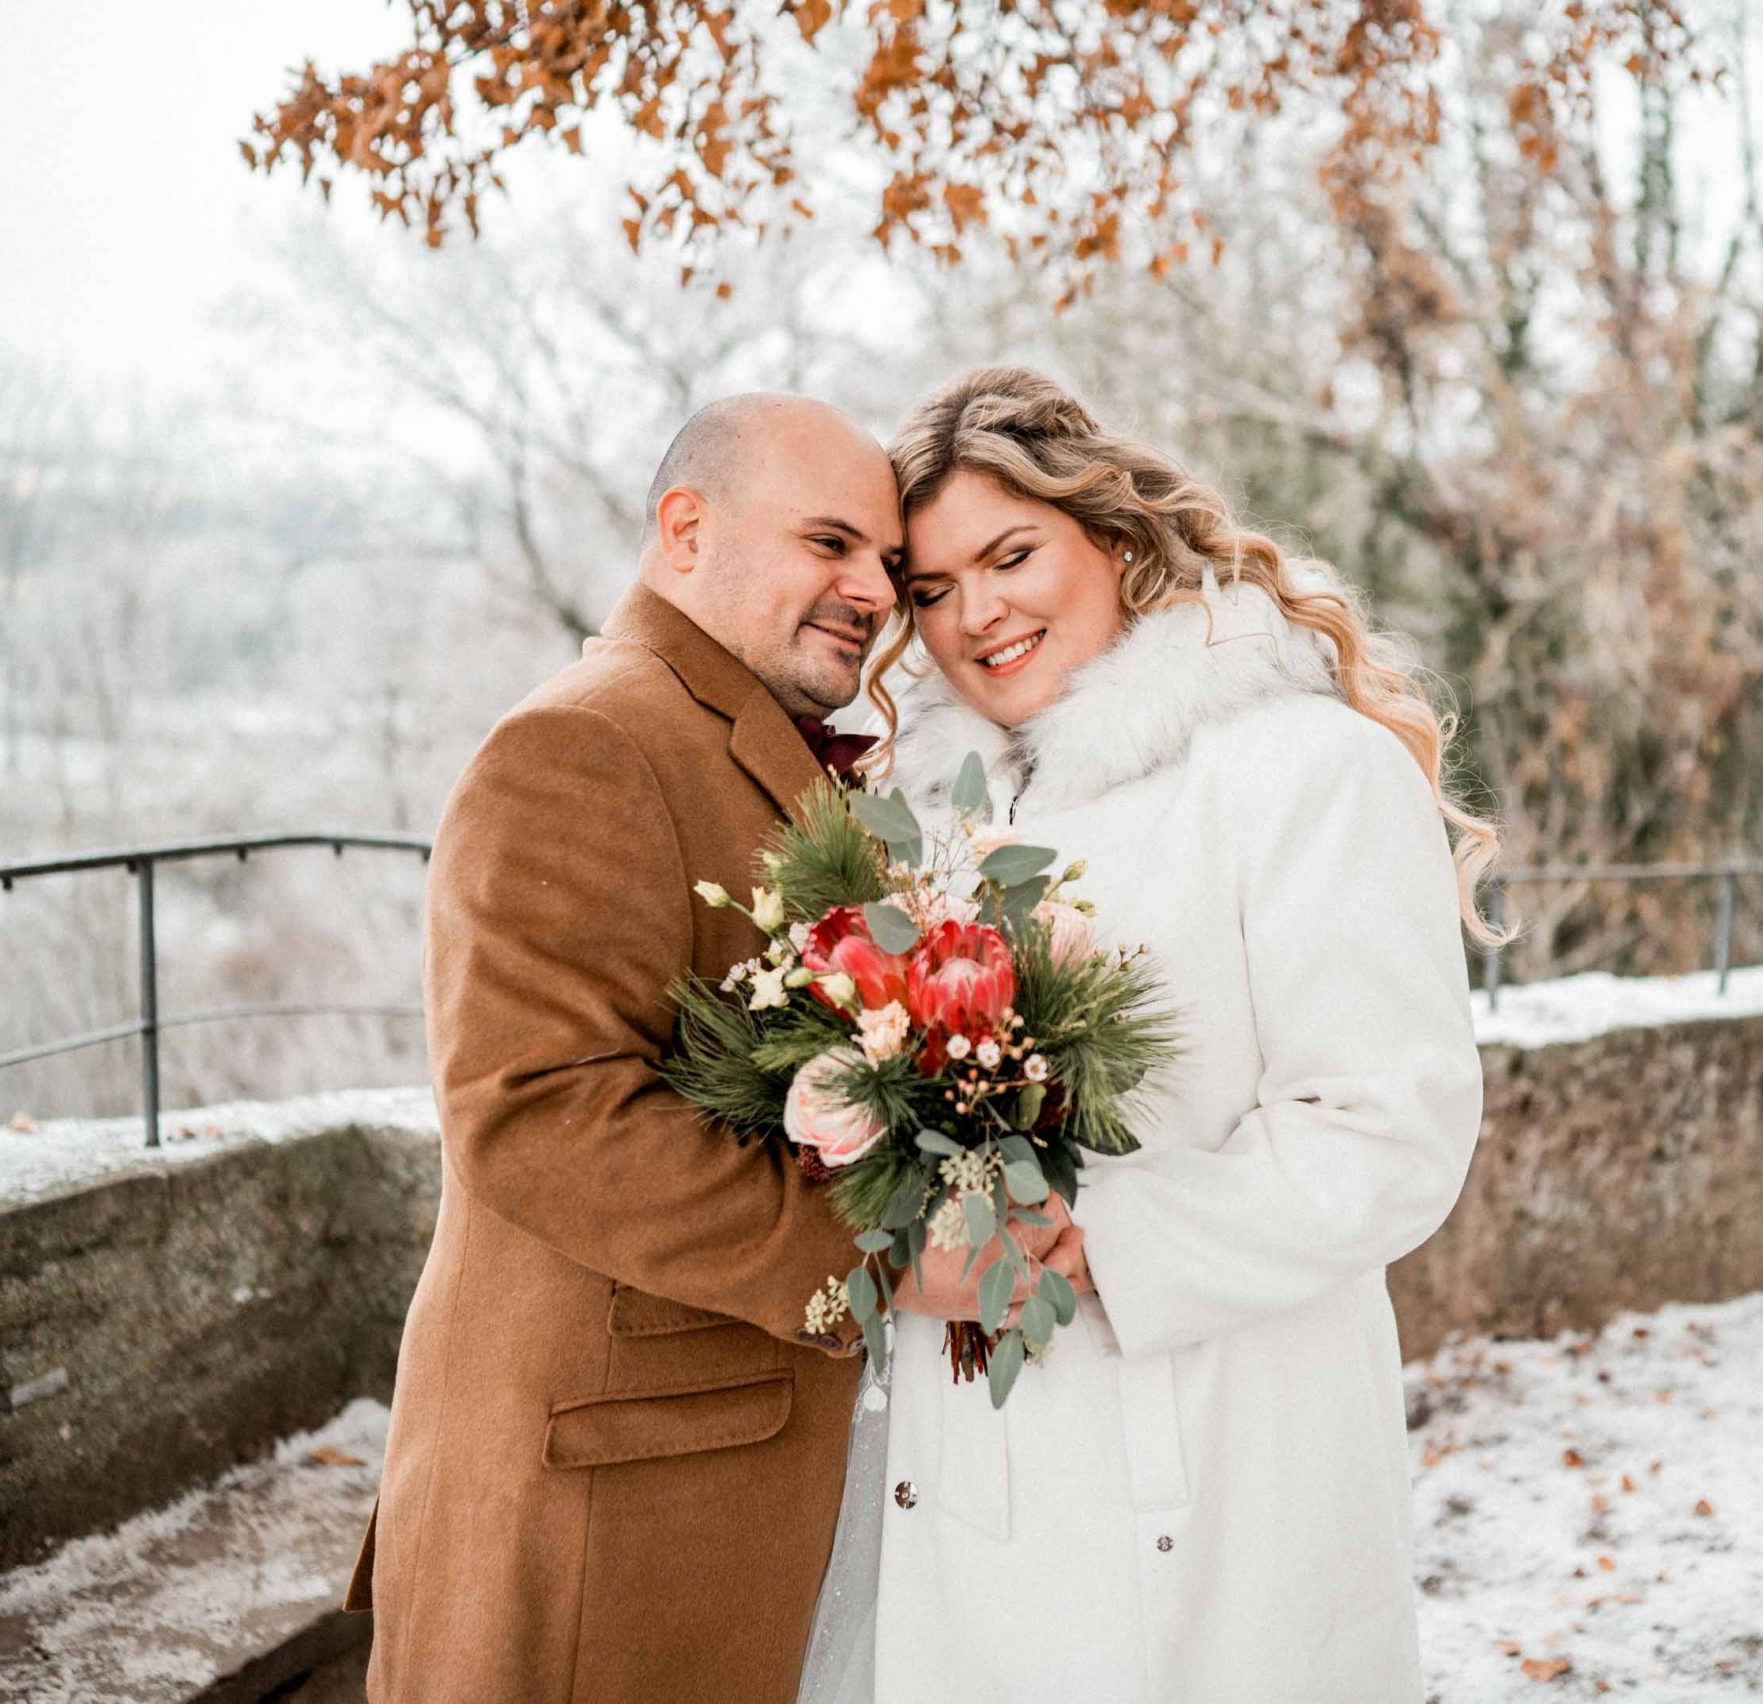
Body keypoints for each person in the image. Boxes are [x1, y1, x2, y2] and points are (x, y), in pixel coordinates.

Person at [346, 393, 1059, 1703]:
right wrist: (886, 1259)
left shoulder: (739, 739)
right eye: (829, 544)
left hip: (723, 1480)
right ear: (686, 529)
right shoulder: (585, 744)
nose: (872, 593)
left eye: (888, 568)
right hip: (602, 1512)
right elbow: (537, 1114)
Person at [800, 367, 1497, 1703]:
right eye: (933, 589)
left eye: (1012, 555)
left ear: (1114, 541)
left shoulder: (1299, 770)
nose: (977, 612)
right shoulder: (922, 818)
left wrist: (1083, 1239)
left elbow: (1386, 1132)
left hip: (1216, 1459)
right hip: (956, 1475)